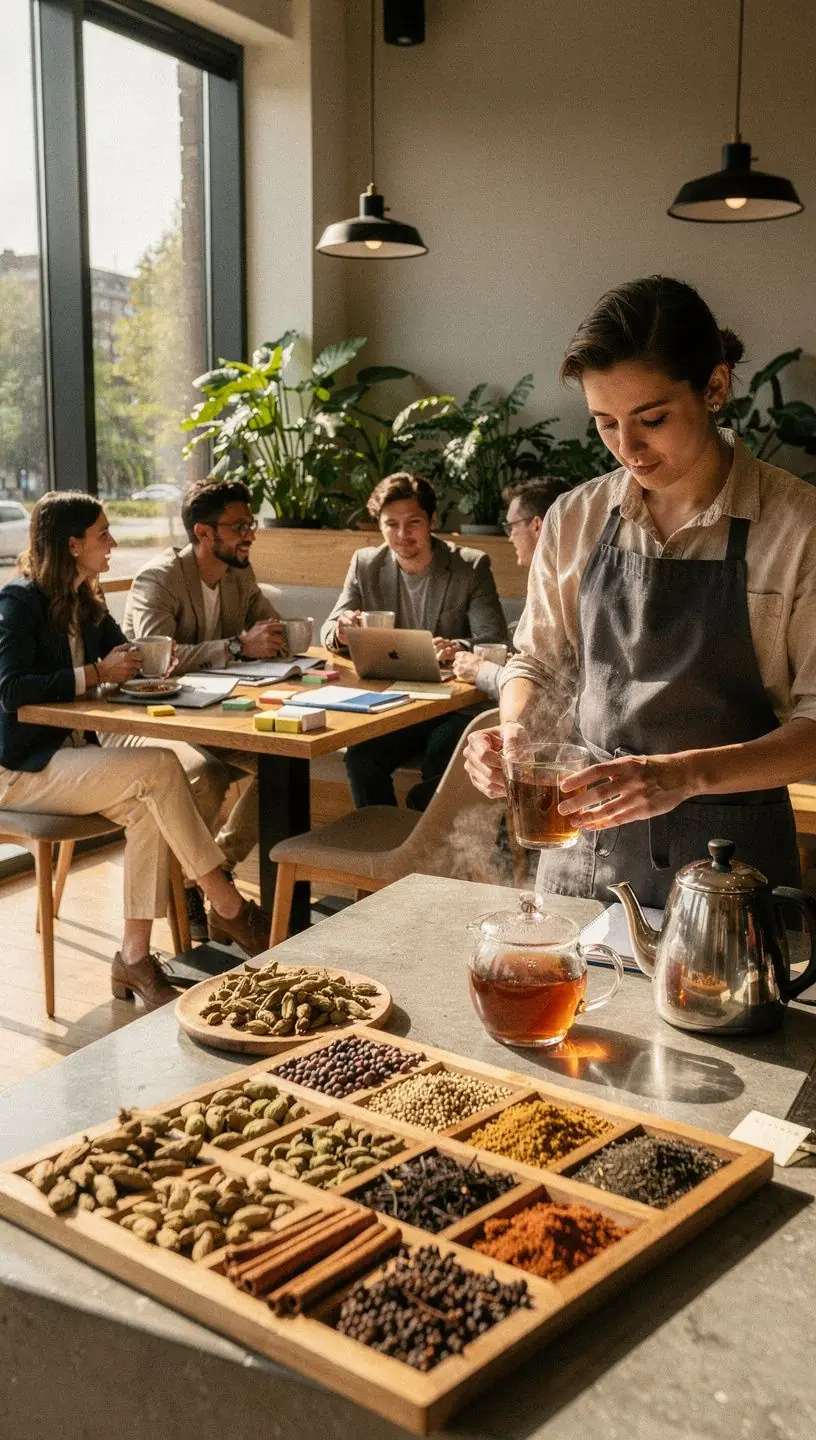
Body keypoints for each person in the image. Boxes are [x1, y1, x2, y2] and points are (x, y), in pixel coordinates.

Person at [465, 275, 816, 906]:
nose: (628, 448)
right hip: (583, 858)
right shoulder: (575, 517)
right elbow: (536, 661)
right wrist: (514, 728)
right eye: (604, 424)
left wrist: (681, 775)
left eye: (651, 419)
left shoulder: (798, 529)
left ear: (714, 386)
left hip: (731, 877)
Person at [0, 493, 271, 1009]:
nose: (113, 544)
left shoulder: (84, 601)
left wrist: (150, 664)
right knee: (162, 765)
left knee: (151, 808)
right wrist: (97, 675)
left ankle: (134, 960)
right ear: (72, 543)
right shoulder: (19, 602)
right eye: (104, 535)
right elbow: (12, 689)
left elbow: (127, 651)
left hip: (71, 758)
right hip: (21, 768)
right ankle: (230, 906)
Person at [122, 477, 284, 939]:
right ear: (203, 533)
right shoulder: (160, 579)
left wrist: (290, 636)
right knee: (205, 775)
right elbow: (154, 661)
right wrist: (236, 646)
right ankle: (203, 891)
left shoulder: (240, 573)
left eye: (250, 523)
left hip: (215, 715)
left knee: (282, 762)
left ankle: (214, 872)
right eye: (238, 526)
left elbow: (268, 626)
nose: (249, 533)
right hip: (156, 719)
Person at [321, 471, 508, 810]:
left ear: (432, 520)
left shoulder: (469, 566)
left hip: (456, 706)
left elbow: (493, 641)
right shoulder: (366, 563)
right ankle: (384, 849)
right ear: (379, 525)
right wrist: (340, 629)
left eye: (413, 523)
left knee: (441, 754)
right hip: (395, 705)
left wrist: (458, 648)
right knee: (361, 758)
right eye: (391, 524)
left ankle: (429, 853)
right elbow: (329, 628)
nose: (402, 535)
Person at [452, 476, 572, 699]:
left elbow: (556, 695)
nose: (509, 538)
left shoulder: (562, 590)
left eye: (510, 527)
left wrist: (482, 670)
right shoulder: (562, 577)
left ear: (536, 525)